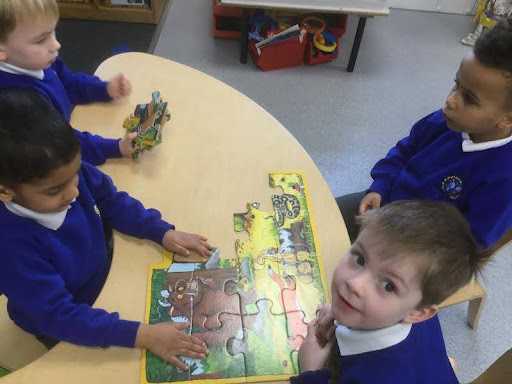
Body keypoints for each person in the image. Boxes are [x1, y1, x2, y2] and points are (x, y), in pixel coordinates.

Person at [0, 89, 213, 370]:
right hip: (63, 320)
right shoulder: (10, 248)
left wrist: (161, 231)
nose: (74, 191)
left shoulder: (63, 172)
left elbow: (110, 201)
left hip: (104, 272)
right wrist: (142, 335)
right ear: (5, 191)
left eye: (75, 174)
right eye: (55, 191)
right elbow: (58, 316)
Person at [337, 17, 512, 249]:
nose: (450, 100)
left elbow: (470, 245)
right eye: (456, 84)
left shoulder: (503, 176)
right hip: (385, 201)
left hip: (417, 249)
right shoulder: (446, 120)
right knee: (316, 215)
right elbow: (405, 150)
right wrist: (379, 185)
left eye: (469, 98)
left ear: (507, 119)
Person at [292, 200, 489, 384]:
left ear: (418, 313)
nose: (354, 284)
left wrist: (309, 371)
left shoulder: (375, 377)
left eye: (389, 286)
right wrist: (340, 312)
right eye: (360, 259)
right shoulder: (414, 306)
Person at [0, 0, 135, 166]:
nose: (56, 44)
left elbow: (67, 82)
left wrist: (104, 89)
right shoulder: (18, 104)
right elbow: (61, 144)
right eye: (40, 40)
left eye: (52, 32)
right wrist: (115, 147)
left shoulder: (39, 60)